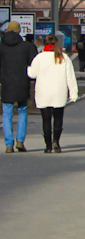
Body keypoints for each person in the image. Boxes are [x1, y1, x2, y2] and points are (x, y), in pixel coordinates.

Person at [27, 34, 78, 153]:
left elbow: (32, 74)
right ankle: (56, 142)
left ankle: (48, 146)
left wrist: (28, 68)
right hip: (59, 91)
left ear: (45, 44)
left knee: (46, 119)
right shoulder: (63, 57)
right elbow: (70, 76)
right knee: (58, 118)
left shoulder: (39, 58)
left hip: (43, 92)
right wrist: (73, 93)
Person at [1, 22, 39, 153]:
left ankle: (8, 144)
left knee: (7, 114)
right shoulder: (27, 46)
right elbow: (34, 64)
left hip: (6, 84)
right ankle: (20, 141)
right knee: (22, 111)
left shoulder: (1, 47)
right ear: (19, 31)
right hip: (22, 83)